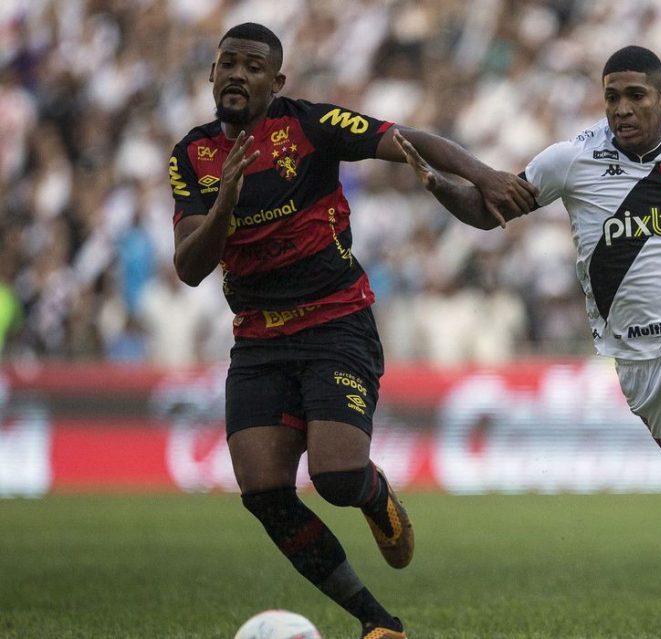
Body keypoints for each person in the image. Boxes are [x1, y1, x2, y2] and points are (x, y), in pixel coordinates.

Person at [396, 45, 661, 630]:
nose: (621, 109)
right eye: (611, 97)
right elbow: (486, 209)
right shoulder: (569, 161)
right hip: (636, 357)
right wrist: (435, 183)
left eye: (635, 96)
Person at [167, 23, 536, 639]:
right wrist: (224, 205)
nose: (237, 74)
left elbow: (406, 137)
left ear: (276, 82)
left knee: (337, 478)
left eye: (253, 66)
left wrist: (485, 175)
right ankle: (377, 622)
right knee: (263, 491)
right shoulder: (192, 155)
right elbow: (188, 267)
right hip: (257, 339)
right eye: (228, 63)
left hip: (335, 322)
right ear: (211, 73)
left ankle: (373, 494)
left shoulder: (310, 126)